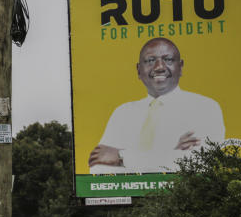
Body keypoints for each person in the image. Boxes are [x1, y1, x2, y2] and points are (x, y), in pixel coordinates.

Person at [88, 37, 225, 173]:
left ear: (181, 66)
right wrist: (173, 152)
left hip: (182, 195)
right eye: (150, 60)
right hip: (129, 194)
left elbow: (199, 163)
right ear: (138, 70)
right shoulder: (122, 113)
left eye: (168, 60)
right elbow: (97, 168)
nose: (159, 67)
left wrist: (121, 157)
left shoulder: (204, 108)